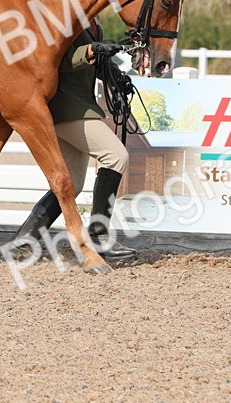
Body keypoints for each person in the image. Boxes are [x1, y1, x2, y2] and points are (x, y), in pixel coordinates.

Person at [8, 20, 136, 262]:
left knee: (73, 184)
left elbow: (98, 66)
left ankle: (23, 240)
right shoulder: (63, 21)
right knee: (116, 156)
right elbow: (57, 59)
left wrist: (118, 78)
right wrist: (91, 50)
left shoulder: (94, 25)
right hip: (66, 107)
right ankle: (98, 236)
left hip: (79, 107)